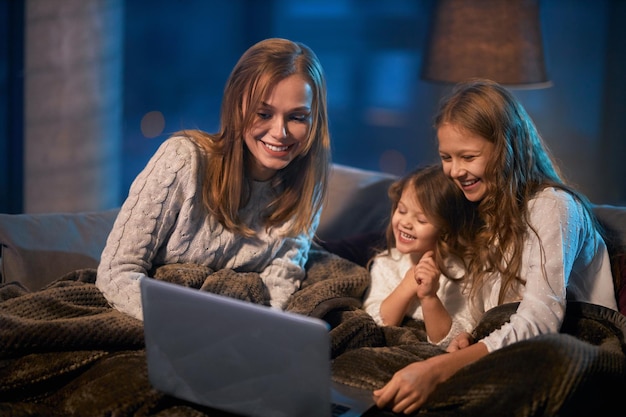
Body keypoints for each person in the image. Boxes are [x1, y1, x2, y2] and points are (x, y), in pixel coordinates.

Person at [372, 78, 618, 414]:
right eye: (446, 157)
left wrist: (439, 369)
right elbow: (488, 314)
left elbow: (540, 319)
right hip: (513, 349)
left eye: (468, 156)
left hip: (573, 347)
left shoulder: (553, 207)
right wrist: (470, 340)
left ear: (506, 147)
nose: (455, 171)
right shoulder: (483, 210)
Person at [96, 38, 331, 321]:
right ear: (237, 107)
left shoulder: (307, 188)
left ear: (313, 121)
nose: (280, 131)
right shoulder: (182, 159)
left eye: (297, 117)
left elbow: (279, 282)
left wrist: (259, 334)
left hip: (235, 332)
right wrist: (188, 327)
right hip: (157, 321)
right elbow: (117, 270)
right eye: (264, 114)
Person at [362, 165, 477, 348]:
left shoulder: (460, 272)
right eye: (401, 210)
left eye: (421, 220)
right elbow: (374, 321)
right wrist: (407, 286)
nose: (406, 222)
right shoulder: (387, 262)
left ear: (446, 229)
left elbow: (453, 339)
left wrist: (429, 296)